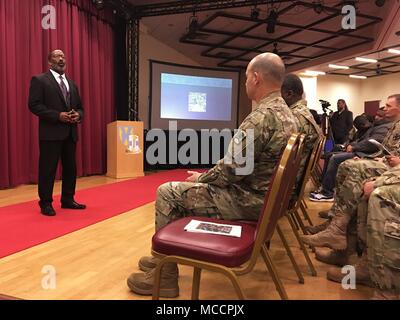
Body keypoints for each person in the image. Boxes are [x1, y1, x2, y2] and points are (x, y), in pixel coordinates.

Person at [126, 53, 299, 298]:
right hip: (264, 202)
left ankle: (165, 276)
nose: (247, 82)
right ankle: (164, 260)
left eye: (247, 77)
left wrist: (201, 178)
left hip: (246, 202)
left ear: (256, 78)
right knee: (185, 191)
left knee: (168, 192)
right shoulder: (288, 116)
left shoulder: (261, 117)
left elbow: (232, 170)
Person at [301, 95, 400, 259]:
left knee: (356, 169)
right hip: (385, 163)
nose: (385, 108)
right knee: (347, 165)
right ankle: (336, 226)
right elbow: (385, 150)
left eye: (389, 106)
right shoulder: (393, 126)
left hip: (394, 170)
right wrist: (374, 158)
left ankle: (338, 229)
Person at [28, 49, 86, 216]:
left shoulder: (72, 83)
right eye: (57, 56)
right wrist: (57, 116)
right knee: (48, 169)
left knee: (70, 168)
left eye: (63, 56)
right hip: (50, 133)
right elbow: (34, 105)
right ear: (49, 62)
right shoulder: (40, 80)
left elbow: (81, 108)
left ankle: (68, 199)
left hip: (70, 133)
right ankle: (45, 203)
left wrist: (78, 115)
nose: (61, 58)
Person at [309, 108, 393, 203]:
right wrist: (351, 145)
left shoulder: (385, 127)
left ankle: (327, 193)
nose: (377, 117)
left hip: (367, 154)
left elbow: (371, 143)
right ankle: (324, 186)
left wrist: (354, 147)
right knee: (329, 155)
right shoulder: (376, 126)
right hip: (361, 150)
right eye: (377, 115)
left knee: (335, 158)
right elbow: (361, 139)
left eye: (380, 116)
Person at [281, 74, 322, 194]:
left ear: (289, 94)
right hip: (295, 181)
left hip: (285, 186)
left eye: (278, 95)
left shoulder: (293, 118)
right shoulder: (306, 114)